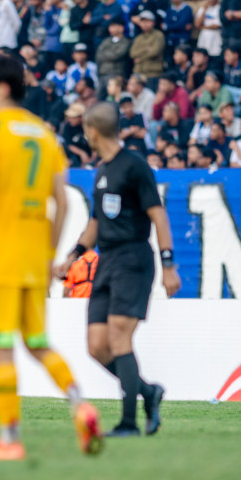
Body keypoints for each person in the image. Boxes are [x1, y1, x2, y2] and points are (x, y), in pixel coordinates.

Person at [0, 54, 100, 462]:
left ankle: (9, 437)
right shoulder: (43, 133)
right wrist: (49, 254)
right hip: (34, 259)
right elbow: (62, 203)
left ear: (2, 88)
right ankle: (80, 405)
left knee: (2, 347)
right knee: (37, 343)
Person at [59, 102, 181, 437]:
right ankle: (148, 392)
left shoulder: (135, 166)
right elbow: (96, 222)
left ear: (92, 131)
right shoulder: (102, 171)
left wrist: (168, 264)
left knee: (118, 337)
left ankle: (128, 422)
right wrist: (73, 255)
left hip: (133, 258)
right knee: (97, 346)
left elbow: (158, 216)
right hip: (107, 260)